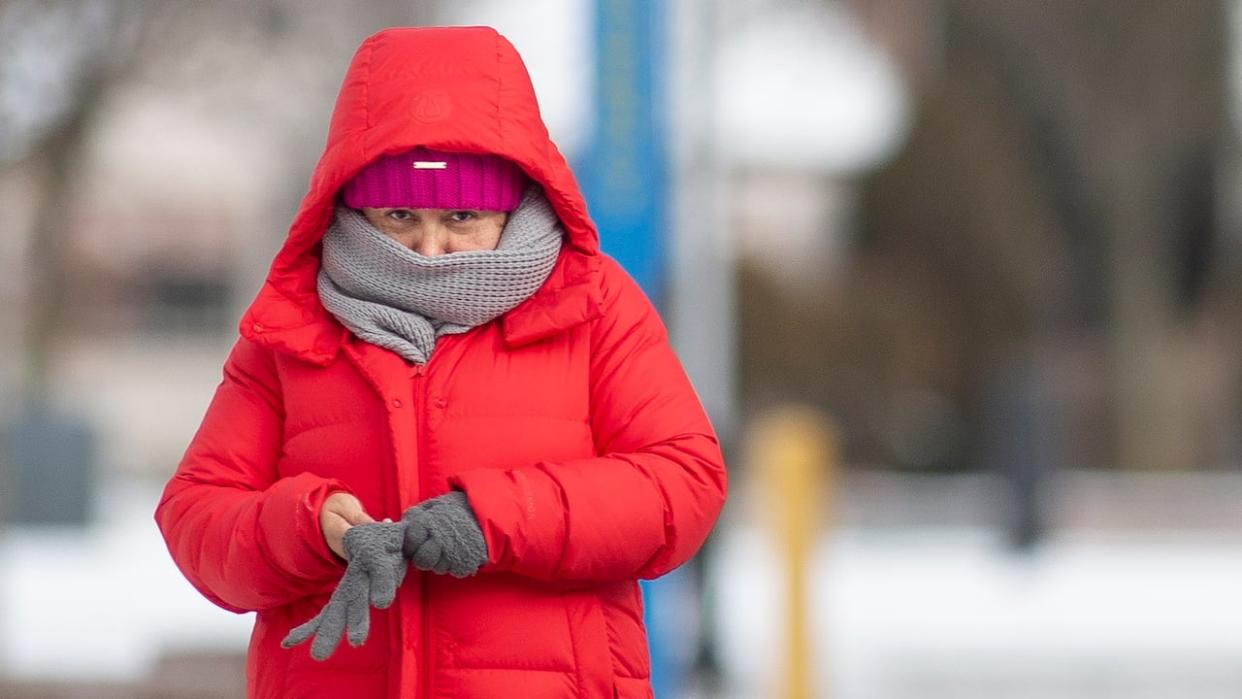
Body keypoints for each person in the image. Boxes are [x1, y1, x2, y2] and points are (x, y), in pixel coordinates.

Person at [154, 25, 726, 699]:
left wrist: (499, 519)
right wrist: (310, 527)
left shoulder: (594, 306)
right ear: (353, 203)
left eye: (461, 215)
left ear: (512, 201)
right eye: (399, 215)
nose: (429, 250)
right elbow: (195, 514)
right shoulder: (293, 324)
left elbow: (682, 482)